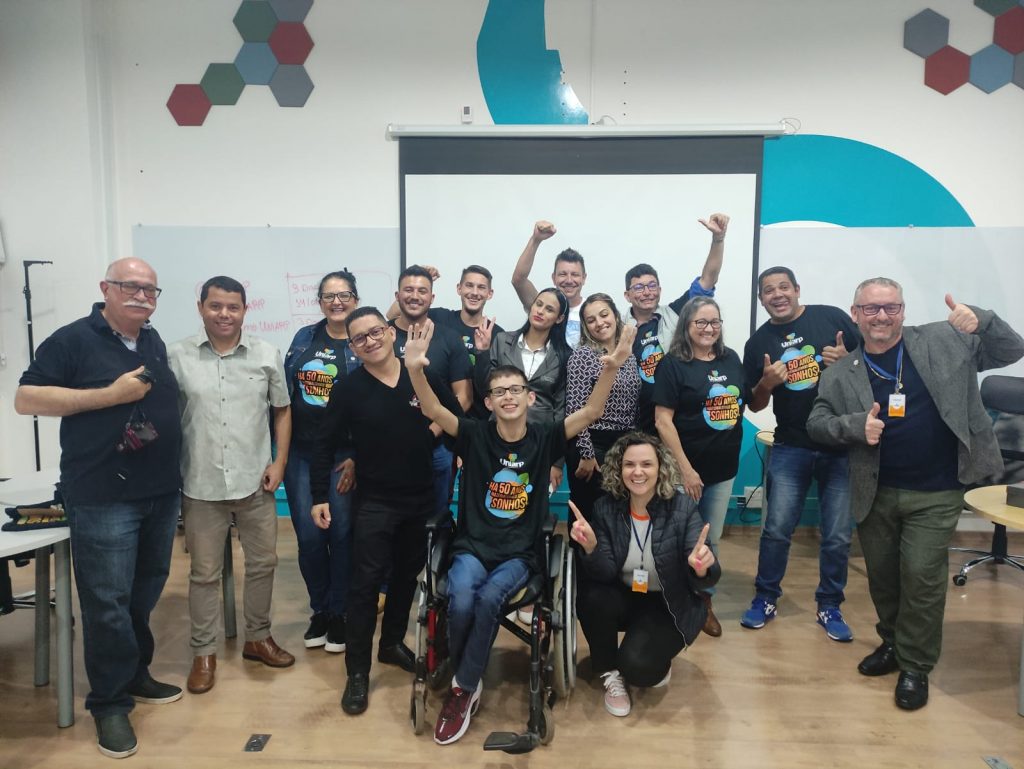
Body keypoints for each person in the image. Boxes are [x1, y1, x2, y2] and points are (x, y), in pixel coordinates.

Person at [403, 317, 636, 744]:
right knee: (460, 595)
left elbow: (591, 412)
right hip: (473, 546)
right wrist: (415, 369)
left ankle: (463, 688)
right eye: (499, 392)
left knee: (490, 597)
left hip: (519, 553)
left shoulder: (545, 437)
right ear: (488, 402)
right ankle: (468, 674)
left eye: (515, 390)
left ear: (530, 397)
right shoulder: (474, 434)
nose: (508, 396)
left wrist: (611, 367)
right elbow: (434, 410)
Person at [807, 279, 1024, 710]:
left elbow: (1010, 349)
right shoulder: (840, 373)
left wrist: (983, 319)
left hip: (937, 489)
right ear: (855, 314)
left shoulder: (946, 339)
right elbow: (817, 422)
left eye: (891, 307)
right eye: (871, 309)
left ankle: (915, 665)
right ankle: (892, 642)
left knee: (922, 578)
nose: (881, 316)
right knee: (884, 579)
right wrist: (853, 427)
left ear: (903, 311)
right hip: (876, 490)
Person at [15, 257, 183, 759]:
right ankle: (109, 703)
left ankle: (134, 674)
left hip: (158, 491)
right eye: (130, 286)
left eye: (150, 290)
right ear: (105, 288)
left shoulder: (151, 340)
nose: (141, 296)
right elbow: (27, 399)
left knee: (143, 593)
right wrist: (109, 395)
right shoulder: (72, 339)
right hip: (103, 494)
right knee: (107, 602)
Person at [311, 306, 464, 716]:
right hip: (375, 501)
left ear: (391, 332)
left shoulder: (421, 373)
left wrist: (428, 436)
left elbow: (455, 416)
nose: (370, 341)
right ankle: (357, 672)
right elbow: (324, 443)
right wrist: (318, 496)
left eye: (376, 331)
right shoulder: (348, 389)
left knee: (406, 576)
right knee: (364, 586)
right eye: (359, 338)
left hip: (420, 497)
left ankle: (391, 643)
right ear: (353, 347)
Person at [168, 276, 295, 697]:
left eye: (233, 307)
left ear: (244, 310)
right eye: (216, 306)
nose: (224, 314)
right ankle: (203, 653)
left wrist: (279, 462)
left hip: (255, 482)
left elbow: (282, 411)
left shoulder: (266, 354)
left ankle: (258, 637)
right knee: (204, 574)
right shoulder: (176, 357)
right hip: (200, 483)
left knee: (263, 564)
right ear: (201, 307)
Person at [739, 266, 860, 641]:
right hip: (791, 445)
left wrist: (848, 361)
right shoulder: (757, 343)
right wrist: (766, 383)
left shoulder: (832, 318)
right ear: (761, 299)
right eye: (768, 290)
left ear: (796, 289)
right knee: (776, 530)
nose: (777, 294)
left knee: (837, 535)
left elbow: (871, 367)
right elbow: (755, 404)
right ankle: (765, 598)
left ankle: (830, 605)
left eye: (783, 287)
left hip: (840, 446)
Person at [570, 432, 720, 718]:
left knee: (640, 670)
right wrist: (591, 547)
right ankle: (610, 672)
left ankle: (647, 657)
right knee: (591, 595)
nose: (637, 472)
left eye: (646, 464)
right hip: (625, 595)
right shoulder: (605, 508)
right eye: (629, 464)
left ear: (661, 468)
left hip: (668, 602)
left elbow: (708, 573)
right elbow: (603, 572)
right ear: (619, 468)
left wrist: (701, 568)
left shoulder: (682, 508)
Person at [654, 296, 746, 638]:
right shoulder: (673, 364)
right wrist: (686, 469)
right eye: (701, 322)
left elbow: (739, 403)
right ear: (686, 326)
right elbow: (662, 421)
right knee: (678, 538)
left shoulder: (730, 358)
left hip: (723, 469)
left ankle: (704, 602)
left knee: (711, 539)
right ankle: (671, 604)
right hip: (684, 471)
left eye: (715, 322)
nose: (709, 328)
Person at [282, 270, 361, 654]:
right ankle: (320, 610)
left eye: (344, 295)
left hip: (344, 456)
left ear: (355, 300)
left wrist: (359, 456)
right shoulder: (304, 339)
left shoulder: (362, 343)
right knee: (310, 536)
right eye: (329, 296)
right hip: (302, 452)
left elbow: (375, 403)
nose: (336, 302)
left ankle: (340, 612)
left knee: (342, 534)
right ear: (320, 302)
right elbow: (284, 396)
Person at [626, 213, 730, 433]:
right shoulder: (618, 326)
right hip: (634, 419)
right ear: (627, 295)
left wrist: (718, 239)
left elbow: (707, 279)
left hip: (676, 414)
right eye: (639, 288)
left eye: (652, 286)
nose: (647, 292)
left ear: (660, 290)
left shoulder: (676, 312)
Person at [389, 265, 473, 515]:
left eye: (422, 291)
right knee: (390, 515)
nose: (415, 296)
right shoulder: (382, 335)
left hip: (437, 446)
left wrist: (431, 433)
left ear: (432, 298)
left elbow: (464, 397)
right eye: (408, 290)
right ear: (397, 296)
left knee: (436, 517)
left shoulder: (449, 338)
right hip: (386, 445)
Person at [475, 287, 572, 493]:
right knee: (496, 498)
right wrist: (482, 352)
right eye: (538, 304)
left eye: (549, 309)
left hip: (541, 441)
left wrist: (557, 461)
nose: (540, 311)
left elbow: (561, 409)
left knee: (530, 501)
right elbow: (485, 388)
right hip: (498, 435)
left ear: (559, 318)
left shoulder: (564, 355)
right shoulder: (502, 341)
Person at [387, 265, 506, 420]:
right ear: (459, 288)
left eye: (481, 287)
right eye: (469, 285)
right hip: (428, 411)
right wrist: (420, 279)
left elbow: (494, 385)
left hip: (474, 417)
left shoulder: (498, 335)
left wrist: (483, 351)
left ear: (490, 293)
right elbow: (395, 313)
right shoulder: (441, 317)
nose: (474, 292)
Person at [566, 293, 640, 526]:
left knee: (617, 514)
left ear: (615, 316)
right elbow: (575, 409)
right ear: (586, 326)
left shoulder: (629, 355)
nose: (599, 323)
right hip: (591, 441)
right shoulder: (583, 356)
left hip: (623, 444)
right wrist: (586, 454)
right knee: (588, 512)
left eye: (604, 314)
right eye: (591, 320)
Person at [510, 220, 586, 347]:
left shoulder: (591, 310)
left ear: (584, 278)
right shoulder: (542, 305)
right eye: (562, 274)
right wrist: (535, 240)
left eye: (575, 274)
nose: (569, 280)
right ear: (553, 278)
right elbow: (518, 280)